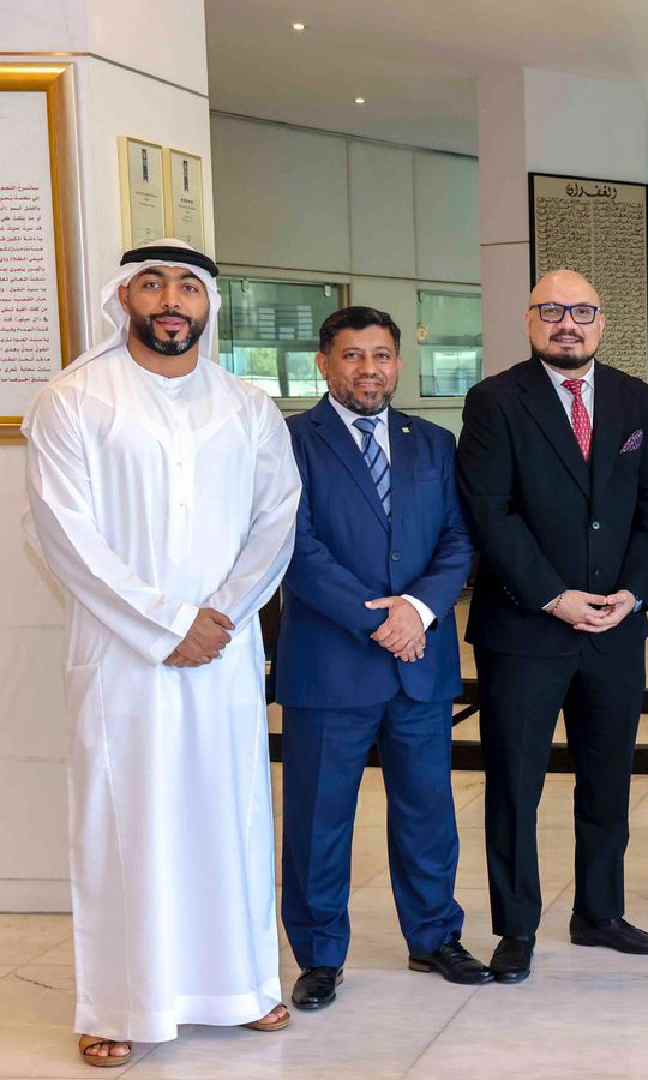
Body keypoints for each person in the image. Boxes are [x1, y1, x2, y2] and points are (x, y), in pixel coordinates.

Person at [23, 240, 301, 1066]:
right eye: (153, 285)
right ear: (126, 299)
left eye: (187, 286)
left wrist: (216, 615)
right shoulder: (75, 399)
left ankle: (241, 987)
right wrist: (163, 621)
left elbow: (275, 519)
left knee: (230, 814)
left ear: (208, 304)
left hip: (222, 647)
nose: (171, 299)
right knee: (125, 820)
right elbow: (62, 532)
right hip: (120, 652)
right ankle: (118, 1003)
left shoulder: (246, 406)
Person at [456, 269, 648, 984]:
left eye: (582, 310)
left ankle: (599, 913)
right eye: (552, 311)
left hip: (614, 625)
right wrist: (554, 596)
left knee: (607, 778)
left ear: (602, 322)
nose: (567, 324)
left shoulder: (634, 399)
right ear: (529, 321)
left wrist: (633, 594)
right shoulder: (494, 402)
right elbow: (490, 512)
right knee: (516, 783)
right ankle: (516, 927)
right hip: (525, 628)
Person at [276, 305, 491, 1010]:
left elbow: (458, 541)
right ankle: (318, 955)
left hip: (418, 662)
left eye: (381, 356)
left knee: (429, 808)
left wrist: (419, 611)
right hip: (332, 662)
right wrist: (380, 621)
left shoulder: (432, 442)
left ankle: (434, 937)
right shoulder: (288, 443)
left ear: (398, 362)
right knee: (319, 817)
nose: (369, 370)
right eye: (352, 356)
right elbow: (295, 550)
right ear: (324, 363)